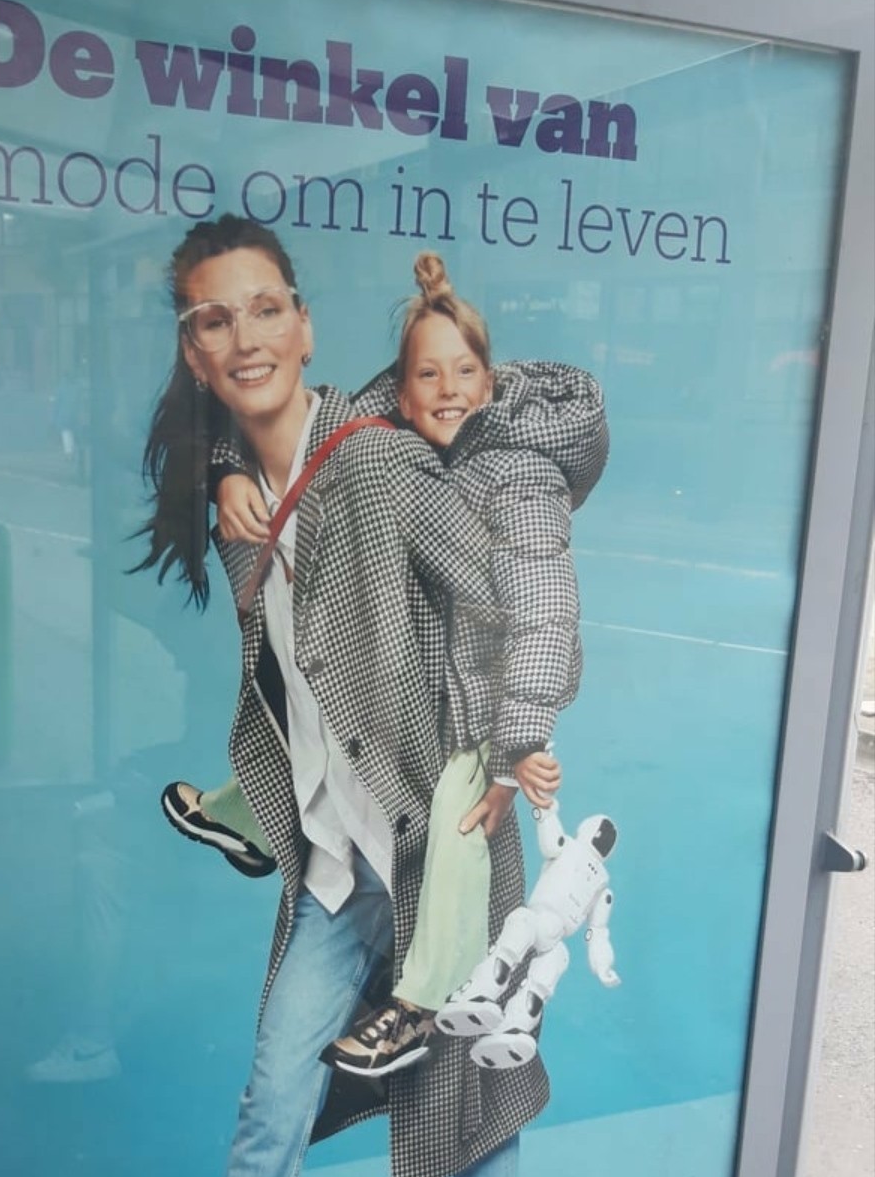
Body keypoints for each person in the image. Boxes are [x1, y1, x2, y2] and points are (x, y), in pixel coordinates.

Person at [138, 215, 600, 1177]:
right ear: (194, 350)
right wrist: (220, 474)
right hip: (338, 872)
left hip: (435, 846)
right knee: (269, 1103)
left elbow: (501, 599)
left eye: (264, 309)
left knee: (472, 1095)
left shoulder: (382, 465)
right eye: (214, 319)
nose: (244, 336)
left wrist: (504, 742)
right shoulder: (243, 498)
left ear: (305, 325)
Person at [177, 252, 600, 1078]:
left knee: (455, 813)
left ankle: (424, 1001)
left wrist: (516, 742)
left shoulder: (518, 477)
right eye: (427, 374)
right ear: (401, 394)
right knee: (318, 706)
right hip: (414, 702)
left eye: (465, 372)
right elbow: (309, 423)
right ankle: (250, 814)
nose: (447, 390)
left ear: (491, 385)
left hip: (477, 705)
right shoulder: (400, 447)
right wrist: (226, 467)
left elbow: (543, 612)